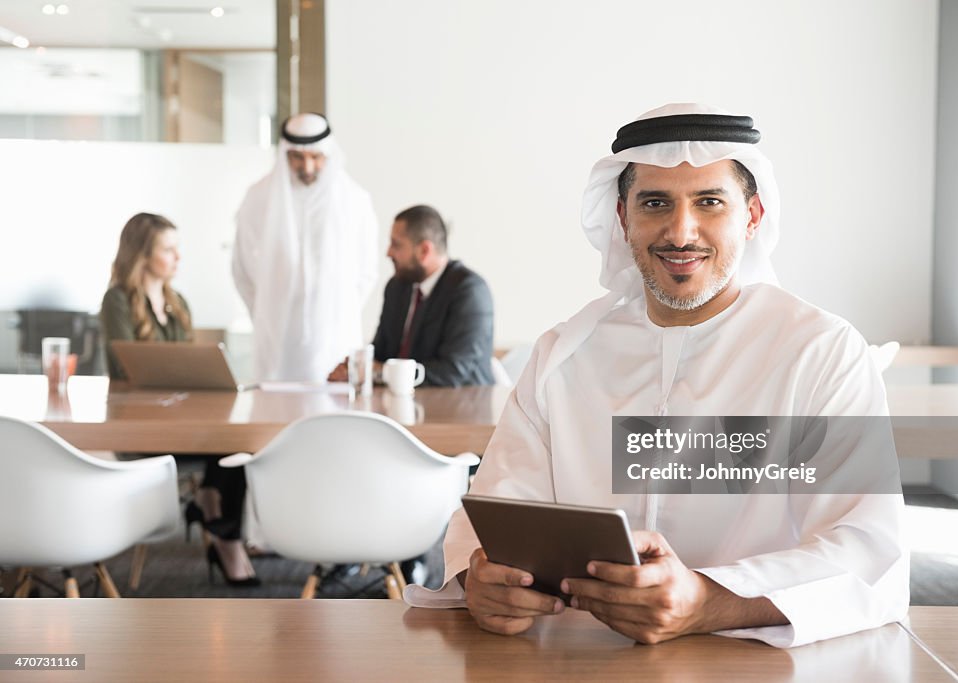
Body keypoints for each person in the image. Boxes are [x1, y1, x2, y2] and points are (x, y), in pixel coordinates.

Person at [405, 104, 908, 648]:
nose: (680, 230)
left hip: (756, 659)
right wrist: (480, 579)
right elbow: (498, 512)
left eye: (710, 202)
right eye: (655, 203)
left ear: (753, 215)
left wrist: (708, 601)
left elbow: (867, 549)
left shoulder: (820, 352)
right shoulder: (563, 355)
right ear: (624, 219)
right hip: (579, 660)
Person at [100, 212, 259, 587]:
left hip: (181, 424)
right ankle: (213, 513)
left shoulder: (178, 301)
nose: (177, 257)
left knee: (238, 444)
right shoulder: (117, 301)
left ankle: (222, 528)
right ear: (142, 254)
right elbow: (128, 368)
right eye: (168, 249)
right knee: (226, 450)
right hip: (140, 430)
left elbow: (185, 367)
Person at [233, 112, 379, 382]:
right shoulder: (258, 198)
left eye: (316, 157)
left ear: (328, 155)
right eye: (297, 157)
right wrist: (269, 314)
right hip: (277, 339)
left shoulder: (354, 200)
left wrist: (334, 309)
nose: (307, 167)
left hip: (334, 337)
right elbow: (243, 269)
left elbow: (366, 272)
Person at [328, 204, 494, 387]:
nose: (388, 252)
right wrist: (354, 366)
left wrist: (379, 372)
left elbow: (453, 371)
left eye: (396, 244)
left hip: (458, 409)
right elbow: (381, 351)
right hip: (401, 405)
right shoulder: (397, 287)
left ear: (424, 251)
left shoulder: (469, 291)